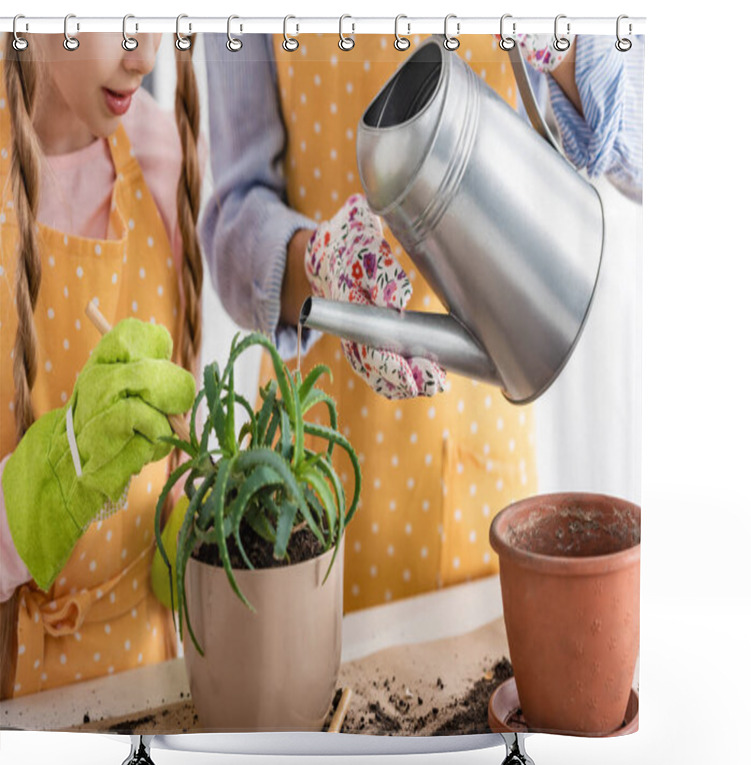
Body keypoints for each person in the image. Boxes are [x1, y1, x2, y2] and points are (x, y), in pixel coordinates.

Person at [201, 31, 643, 613]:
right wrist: (322, 264)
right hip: (309, 448)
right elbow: (233, 213)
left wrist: (563, 44)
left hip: (477, 428)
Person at [0, 33, 203, 699]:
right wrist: (52, 480)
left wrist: (191, 516)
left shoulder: (160, 154)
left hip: (143, 678)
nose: (143, 54)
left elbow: (172, 447)